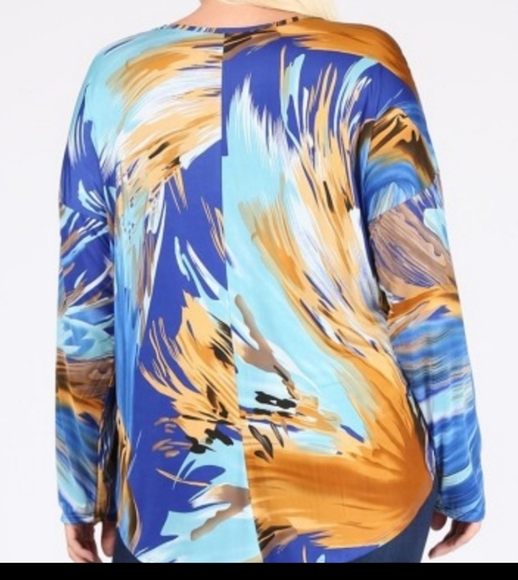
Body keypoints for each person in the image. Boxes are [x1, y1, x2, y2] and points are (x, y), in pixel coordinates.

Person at [55, 0, 486, 564]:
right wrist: (461, 474)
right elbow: (422, 294)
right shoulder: (362, 64)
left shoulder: (116, 79)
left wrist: (83, 489)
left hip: (172, 504)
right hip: (356, 497)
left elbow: (86, 311)